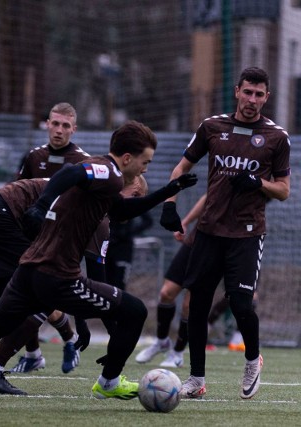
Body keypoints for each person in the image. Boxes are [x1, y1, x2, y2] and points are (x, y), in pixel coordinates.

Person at [0, 120, 189, 404]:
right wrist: (41, 206)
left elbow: (123, 207)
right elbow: (70, 172)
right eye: (145, 162)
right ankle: (108, 382)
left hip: (29, 269)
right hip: (57, 276)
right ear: (127, 158)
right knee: (135, 310)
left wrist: (169, 191)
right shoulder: (111, 174)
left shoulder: (104, 188)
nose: (145, 168)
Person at [159, 67, 290, 400]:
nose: (252, 100)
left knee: (242, 303)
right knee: (197, 306)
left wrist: (259, 183)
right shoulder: (212, 127)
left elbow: (284, 191)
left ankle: (251, 360)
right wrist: (169, 204)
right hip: (209, 231)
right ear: (237, 91)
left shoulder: (277, 137)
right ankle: (196, 378)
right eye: (248, 92)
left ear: (267, 97)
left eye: (259, 94)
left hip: (247, 234)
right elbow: (181, 167)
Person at [10, 102, 91, 375]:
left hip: (63, 241)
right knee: (24, 297)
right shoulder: (33, 157)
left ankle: (51, 346)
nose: (59, 130)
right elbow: (17, 193)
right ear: (47, 124)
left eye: (65, 125)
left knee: (37, 298)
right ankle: (39, 350)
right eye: (55, 123)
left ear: (74, 129)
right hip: (32, 238)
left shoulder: (82, 161)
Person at [135, 194, 206, 368]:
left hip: (215, 246)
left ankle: (178, 352)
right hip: (195, 239)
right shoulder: (221, 174)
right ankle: (161, 341)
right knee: (166, 293)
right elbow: (208, 197)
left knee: (189, 305)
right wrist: (187, 221)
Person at [105, 180, 153, 291]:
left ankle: (118, 306)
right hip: (108, 245)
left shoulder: (132, 201)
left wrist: (129, 232)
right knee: (105, 282)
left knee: (119, 282)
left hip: (123, 247)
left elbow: (148, 220)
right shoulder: (111, 198)